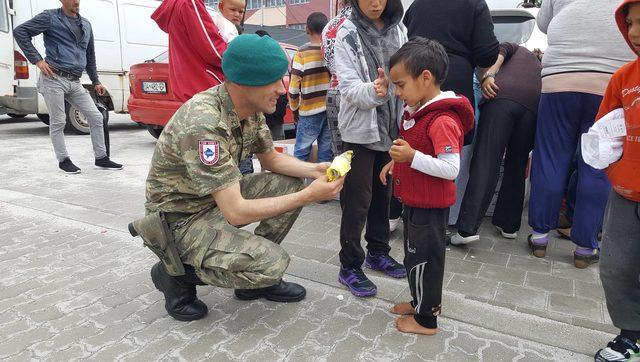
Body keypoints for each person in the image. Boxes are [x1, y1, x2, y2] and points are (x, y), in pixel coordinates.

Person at [130, 35, 344, 322]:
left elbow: (272, 160)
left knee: (289, 181)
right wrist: (311, 195)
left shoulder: (249, 109)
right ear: (245, 82)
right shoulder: (204, 123)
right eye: (274, 80)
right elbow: (236, 211)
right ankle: (175, 274)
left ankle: (250, 278)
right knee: (272, 264)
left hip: (212, 200)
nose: (282, 89)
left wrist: (314, 170)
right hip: (179, 221)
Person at [526, 0, 635, 268]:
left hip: (559, 79)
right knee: (598, 164)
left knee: (550, 158)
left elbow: (543, 24)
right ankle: (585, 247)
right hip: (611, 82)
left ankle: (540, 236)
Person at [380, 37, 474, 335]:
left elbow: (450, 169)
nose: (397, 92)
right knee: (413, 257)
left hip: (431, 209)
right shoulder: (419, 113)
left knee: (426, 262)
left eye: (401, 84)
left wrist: (411, 156)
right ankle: (418, 301)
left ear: (425, 78)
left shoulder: (442, 120)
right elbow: (415, 149)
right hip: (416, 203)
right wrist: (397, 162)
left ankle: (426, 319)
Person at [333, 0, 408, 297]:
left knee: (383, 194)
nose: (375, 3)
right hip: (360, 132)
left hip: (391, 128)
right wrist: (374, 91)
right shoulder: (346, 33)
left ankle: (378, 252)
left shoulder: (399, 30)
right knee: (357, 199)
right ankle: (349, 265)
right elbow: (348, 87)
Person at [587, 1, 640, 360]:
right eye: (630, 23)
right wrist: (608, 163)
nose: (634, 32)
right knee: (616, 266)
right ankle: (630, 335)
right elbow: (603, 131)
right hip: (625, 193)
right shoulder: (623, 78)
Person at [13, 0, 122, 174]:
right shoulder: (50, 17)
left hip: (75, 81)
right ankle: (64, 160)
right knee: (58, 121)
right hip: (53, 78)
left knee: (96, 116)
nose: (76, 1)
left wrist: (96, 81)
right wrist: (38, 60)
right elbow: (20, 32)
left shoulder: (86, 24)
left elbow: (90, 55)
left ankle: (101, 158)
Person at [451, 42, 541, 245]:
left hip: (502, 96)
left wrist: (489, 75)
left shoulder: (514, 47)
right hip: (533, 107)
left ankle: (467, 229)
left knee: (486, 160)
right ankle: (508, 225)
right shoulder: (538, 65)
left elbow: (501, 52)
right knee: (516, 165)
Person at [151, 0, 228, 103]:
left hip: (188, 90)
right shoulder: (191, 3)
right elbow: (215, 52)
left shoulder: (178, 4)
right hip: (205, 90)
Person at [289, 12, 332, 163]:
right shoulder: (329, 52)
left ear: (307, 29)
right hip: (329, 111)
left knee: (301, 153)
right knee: (326, 155)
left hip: (308, 112)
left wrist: (294, 109)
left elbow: (294, 89)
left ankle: (298, 186)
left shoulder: (301, 54)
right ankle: (323, 186)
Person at [322, 2, 353, 156]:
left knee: (339, 154)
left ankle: (338, 181)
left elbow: (327, 60)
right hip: (355, 92)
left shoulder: (328, 26)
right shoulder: (360, 23)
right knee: (360, 155)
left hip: (333, 91)